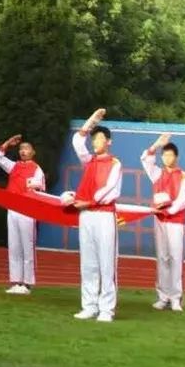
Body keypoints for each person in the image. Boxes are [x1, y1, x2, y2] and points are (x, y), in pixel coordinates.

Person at [65, 107, 122, 322]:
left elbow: (110, 190)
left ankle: (107, 309)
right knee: (88, 263)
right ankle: (89, 305)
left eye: (99, 138)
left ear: (108, 142)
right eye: (94, 139)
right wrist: (91, 122)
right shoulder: (89, 161)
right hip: (86, 215)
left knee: (107, 262)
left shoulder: (115, 164)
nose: (95, 142)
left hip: (104, 215)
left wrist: (87, 201)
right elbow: (77, 142)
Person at [141, 133, 185, 312]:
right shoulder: (157, 174)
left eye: (170, 155)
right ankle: (163, 296)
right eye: (164, 155)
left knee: (175, 258)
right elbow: (145, 159)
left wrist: (168, 210)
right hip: (160, 221)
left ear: (176, 157)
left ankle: (176, 298)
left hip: (176, 222)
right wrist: (156, 145)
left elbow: (182, 200)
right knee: (162, 258)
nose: (167, 158)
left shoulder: (184, 176)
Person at [0, 134, 46, 294]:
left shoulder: (36, 169)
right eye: (21, 148)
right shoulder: (14, 166)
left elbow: (40, 187)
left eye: (26, 148)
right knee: (14, 246)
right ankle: (16, 281)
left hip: (27, 210)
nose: (23, 151)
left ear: (33, 152)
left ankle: (27, 283)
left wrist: (29, 190)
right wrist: (7, 143)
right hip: (13, 208)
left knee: (26, 246)